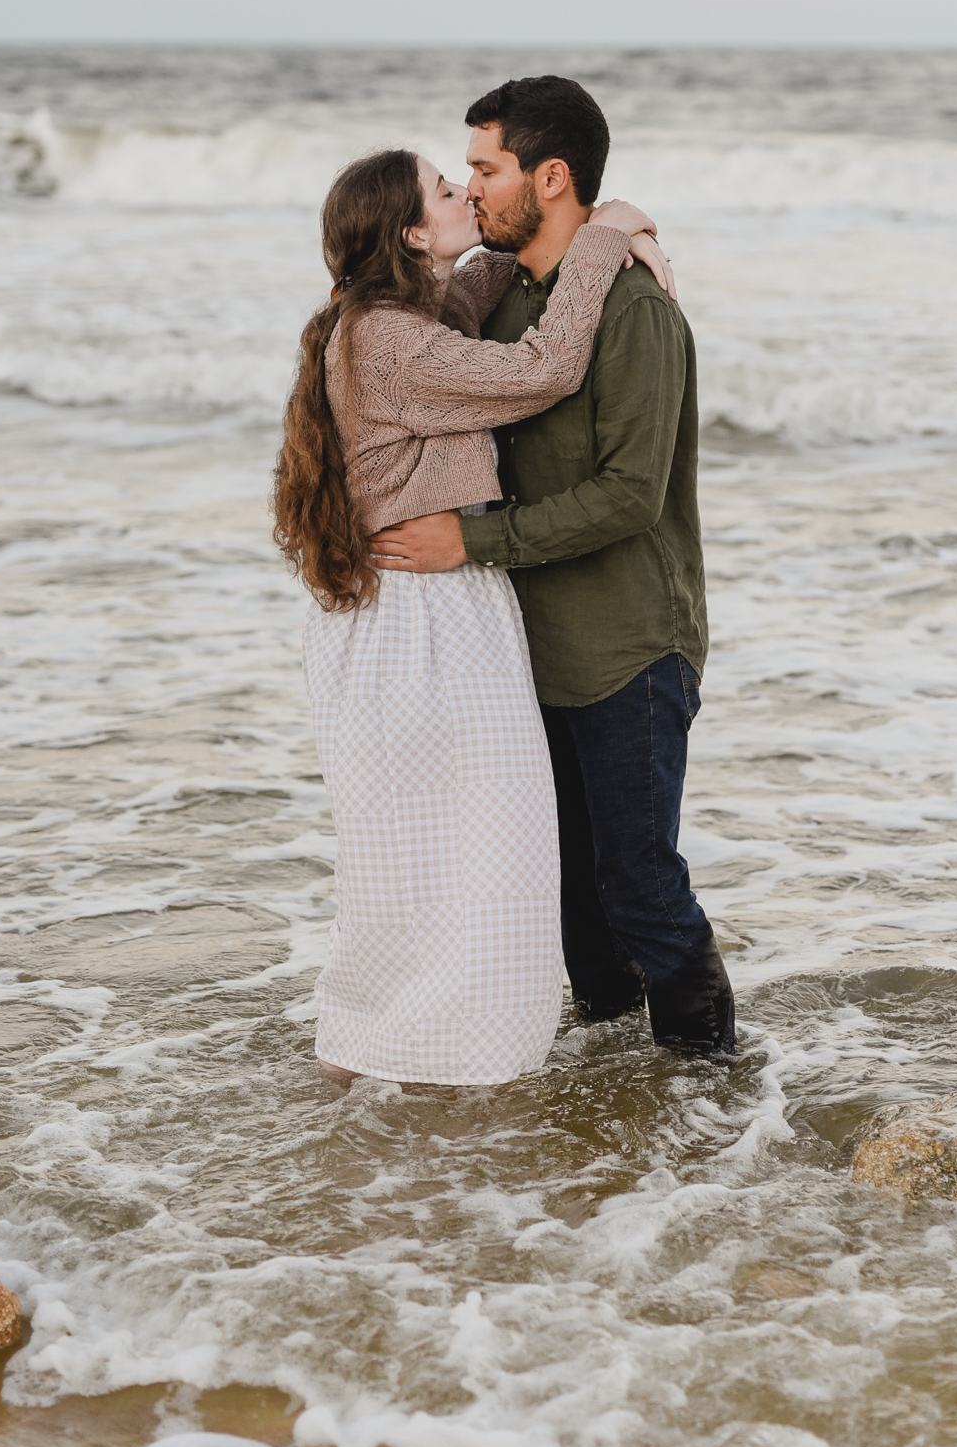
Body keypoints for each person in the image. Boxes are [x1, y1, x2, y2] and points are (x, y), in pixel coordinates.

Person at [273, 145, 670, 1086]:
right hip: (424, 621)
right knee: (482, 857)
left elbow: (478, 282)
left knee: (424, 863)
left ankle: (385, 1058)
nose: (467, 195)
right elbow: (545, 367)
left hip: (412, 619)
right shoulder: (390, 340)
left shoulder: (390, 318)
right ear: (413, 232)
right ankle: (449, 1069)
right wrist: (603, 241)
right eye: (449, 192)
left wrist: (582, 231)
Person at [371, 78, 735, 1057]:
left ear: (552, 176)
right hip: (522, 653)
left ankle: (715, 1106)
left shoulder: (632, 310)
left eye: (485, 170)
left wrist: (469, 543)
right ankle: (615, 1108)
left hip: (628, 650)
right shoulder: (498, 300)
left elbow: (628, 495)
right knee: (570, 902)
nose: (470, 188)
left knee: (639, 888)